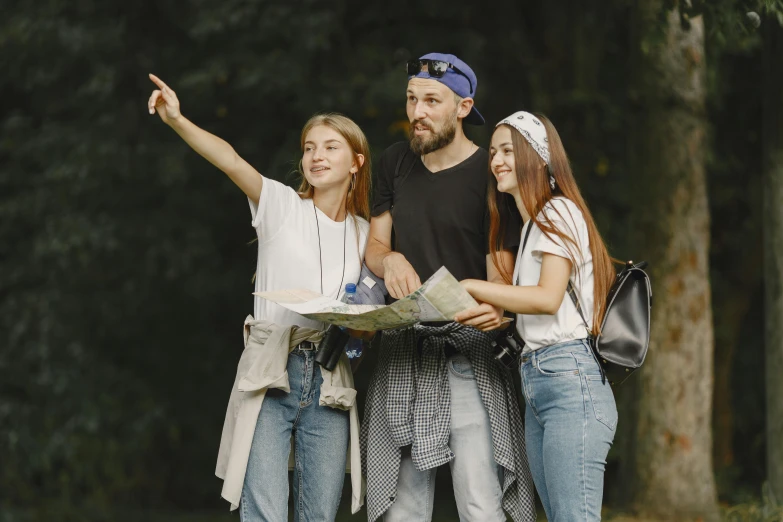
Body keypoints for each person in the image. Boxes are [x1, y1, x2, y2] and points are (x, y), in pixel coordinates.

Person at [146, 74, 370, 521]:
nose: (316, 156)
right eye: (309, 147)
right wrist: (176, 120)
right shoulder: (282, 207)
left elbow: (369, 308)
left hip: (330, 374)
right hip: (272, 366)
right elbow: (229, 160)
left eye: (330, 147)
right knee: (264, 510)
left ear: (356, 162)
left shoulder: (366, 235)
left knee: (320, 514)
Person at [361, 54, 537, 522]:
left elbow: (500, 277)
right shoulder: (395, 162)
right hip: (402, 352)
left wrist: (499, 311)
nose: (417, 112)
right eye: (412, 99)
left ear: (463, 107)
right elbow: (376, 245)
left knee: (480, 504)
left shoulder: (491, 174)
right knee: (402, 511)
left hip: (468, 355)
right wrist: (391, 257)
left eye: (432, 101)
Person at [455, 110, 618, 521]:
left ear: (538, 156)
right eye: (493, 152)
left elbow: (546, 298)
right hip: (539, 381)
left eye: (508, 150)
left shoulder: (558, 212)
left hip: (569, 380)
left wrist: (474, 286)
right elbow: (529, 300)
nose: (496, 161)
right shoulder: (531, 224)